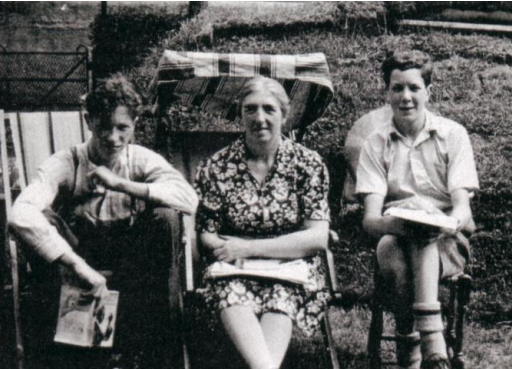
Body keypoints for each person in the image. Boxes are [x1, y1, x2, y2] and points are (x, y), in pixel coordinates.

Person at [9, 74, 198, 368]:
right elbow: (20, 213)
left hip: (132, 266)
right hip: (76, 265)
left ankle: (159, 349)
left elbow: (188, 198)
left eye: (123, 128)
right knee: (43, 217)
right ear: (89, 121)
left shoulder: (139, 160)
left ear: (134, 125)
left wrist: (122, 184)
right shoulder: (67, 162)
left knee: (167, 217)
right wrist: (77, 265)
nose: (113, 138)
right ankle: (57, 349)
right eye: (104, 127)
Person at [194, 76, 332, 369]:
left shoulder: (308, 165)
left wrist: (247, 248)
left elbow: (317, 237)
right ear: (240, 114)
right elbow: (206, 233)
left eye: (269, 109)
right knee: (231, 293)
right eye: (250, 109)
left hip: (291, 269)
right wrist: (228, 250)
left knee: (282, 296)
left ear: (285, 114)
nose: (259, 118)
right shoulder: (217, 166)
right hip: (235, 270)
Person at [356, 50, 479, 369]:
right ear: (387, 93)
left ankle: (409, 358)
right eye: (397, 88)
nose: (405, 97)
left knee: (421, 237)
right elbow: (371, 220)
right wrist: (404, 221)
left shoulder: (453, 135)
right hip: (392, 236)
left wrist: (440, 222)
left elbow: (462, 209)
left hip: (447, 243)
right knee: (399, 244)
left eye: (414, 87)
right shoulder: (375, 143)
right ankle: (434, 345)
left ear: (429, 92)